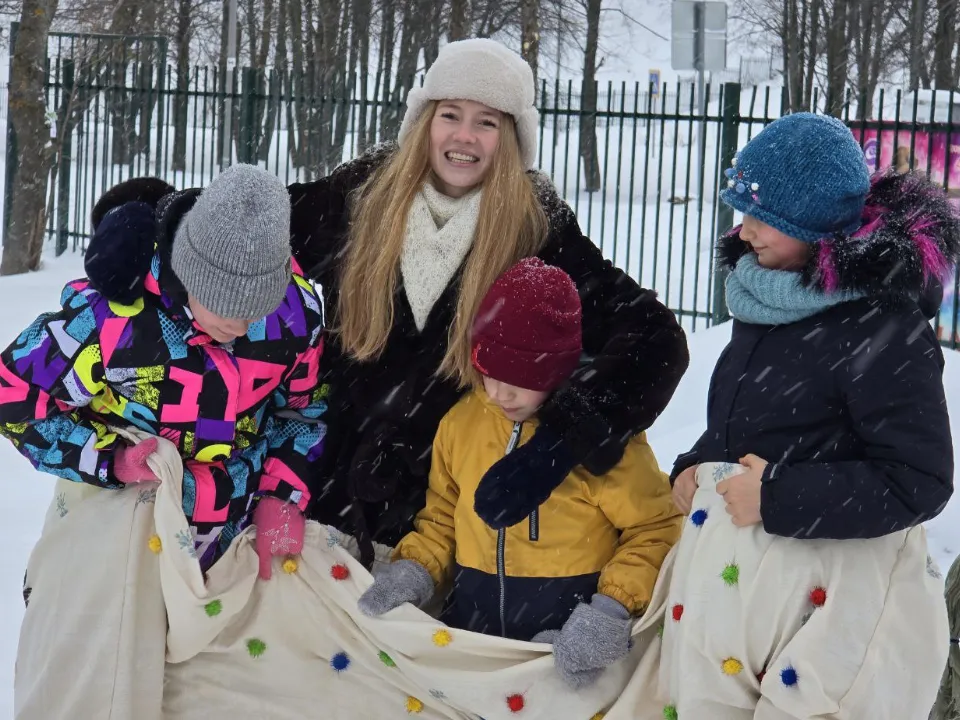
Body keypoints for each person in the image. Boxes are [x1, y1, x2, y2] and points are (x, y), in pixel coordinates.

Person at [81, 38, 690, 566]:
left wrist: (565, 438)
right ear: (424, 119)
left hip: (441, 517)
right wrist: (157, 215)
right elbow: (248, 225)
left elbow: (655, 337)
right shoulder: (361, 194)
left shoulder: (540, 232)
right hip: (316, 494)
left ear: (511, 137)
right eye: (451, 114)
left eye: (488, 122)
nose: (465, 137)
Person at [664, 113, 958, 720]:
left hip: (822, 606)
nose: (742, 232)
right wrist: (697, 463)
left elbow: (918, 480)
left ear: (818, 223)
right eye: (738, 211)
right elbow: (755, 422)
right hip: (734, 589)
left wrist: (778, 496)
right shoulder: (767, 294)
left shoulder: (884, 329)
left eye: (760, 215)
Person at [356, 257, 681, 689]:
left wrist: (610, 609)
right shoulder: (461, 424)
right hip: (476, 643)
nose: (499, 392)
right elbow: (442, 517)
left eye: (522, 377)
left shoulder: (599, 445)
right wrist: (417, 568)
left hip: (565, 652)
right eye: (490, 372)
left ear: (559, 368)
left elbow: (656, 528)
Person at [0, 164, 327, 577]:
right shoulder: (112, 321)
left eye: (257, 308)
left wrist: (282, 497)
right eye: (224, 304)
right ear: (190, 274)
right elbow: (14, 395)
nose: (242, 326)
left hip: (233, 538)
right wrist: (109, 461)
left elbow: (301, 413)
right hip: (121, 530)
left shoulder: (295, 317)